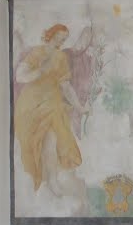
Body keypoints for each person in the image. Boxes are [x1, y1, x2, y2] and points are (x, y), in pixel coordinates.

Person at [14, 24, 88, 201]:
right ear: (51, 35)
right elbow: (20, 76)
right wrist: (40, 70)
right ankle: (37, 181)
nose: (61, 42)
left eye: (64, 39)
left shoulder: (61, 57)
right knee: (32, 144)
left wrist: (79, 107)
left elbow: (66, 86)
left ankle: (53, 181)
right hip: (32, 104)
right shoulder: (37, 53)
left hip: (53, 104)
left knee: (51, 143)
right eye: (59, 38)